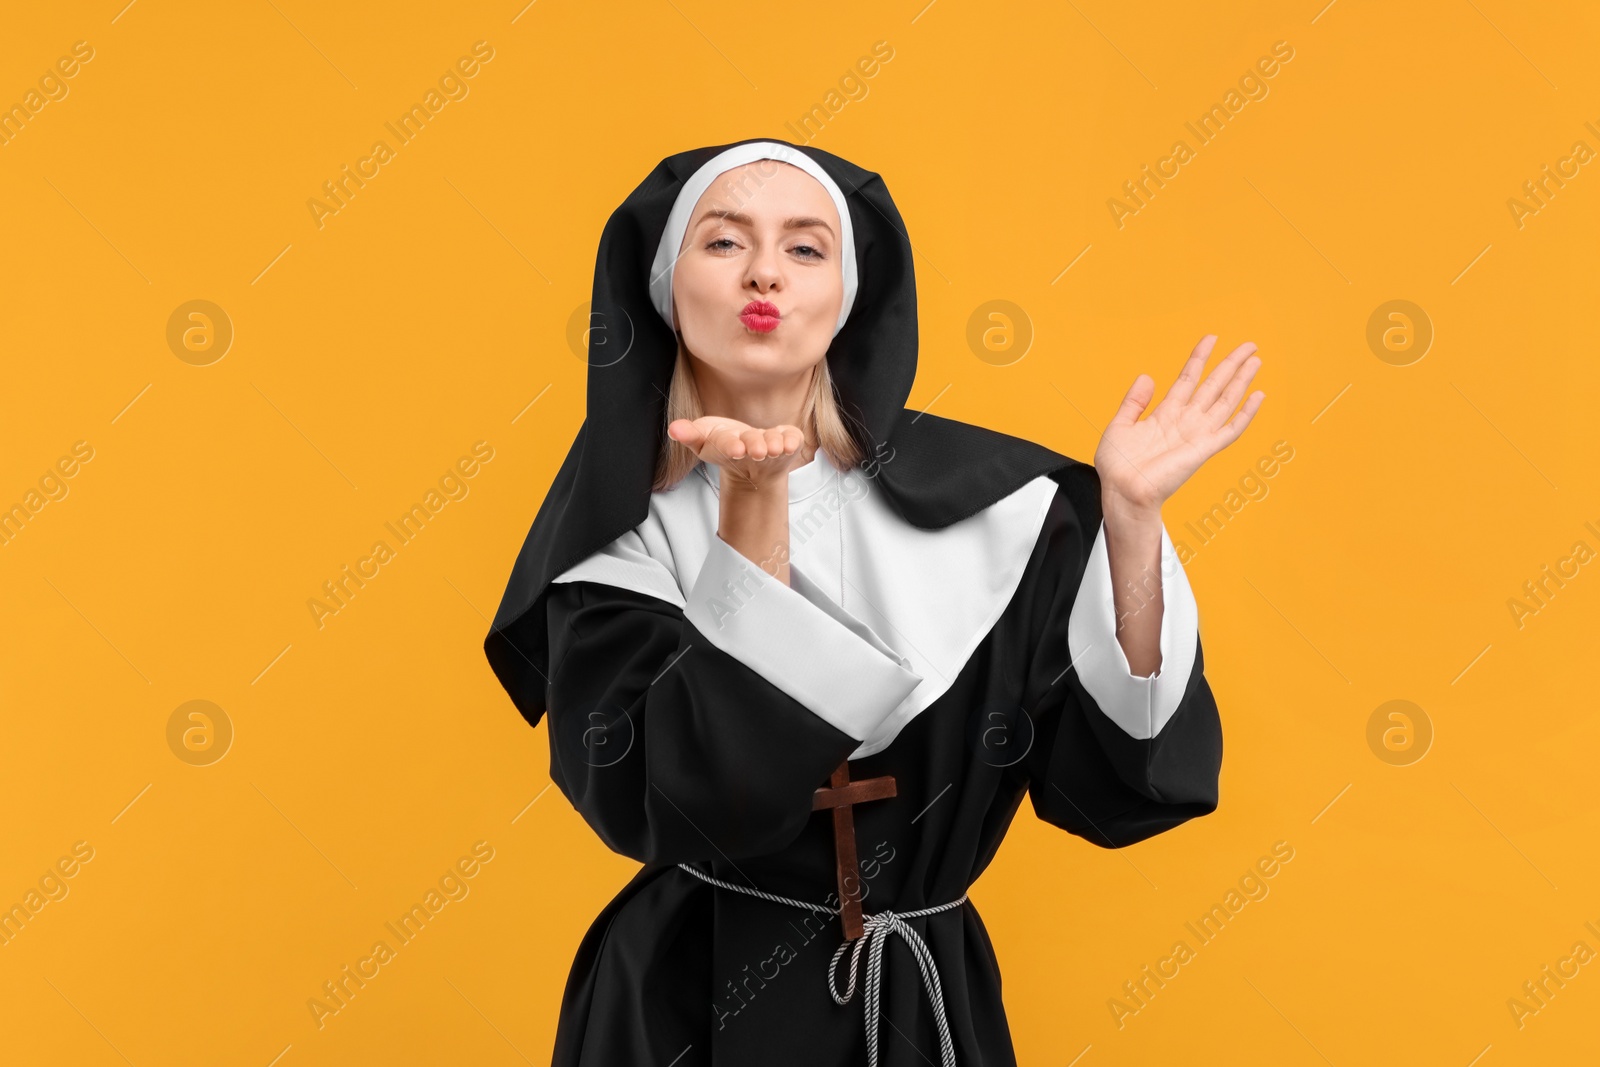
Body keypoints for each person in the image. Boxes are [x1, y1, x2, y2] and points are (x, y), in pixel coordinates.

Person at [483, 137, 1263, 1067]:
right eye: (724, 243)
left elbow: (1116, 783)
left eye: (806, 247)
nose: (765, 271)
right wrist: (751, 505)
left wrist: (1129, 518)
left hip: (922, 998)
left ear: (848, 293)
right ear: (665, 284)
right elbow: (682, 800)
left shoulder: (1008, 511)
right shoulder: (620, 534)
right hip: (683, 1003)